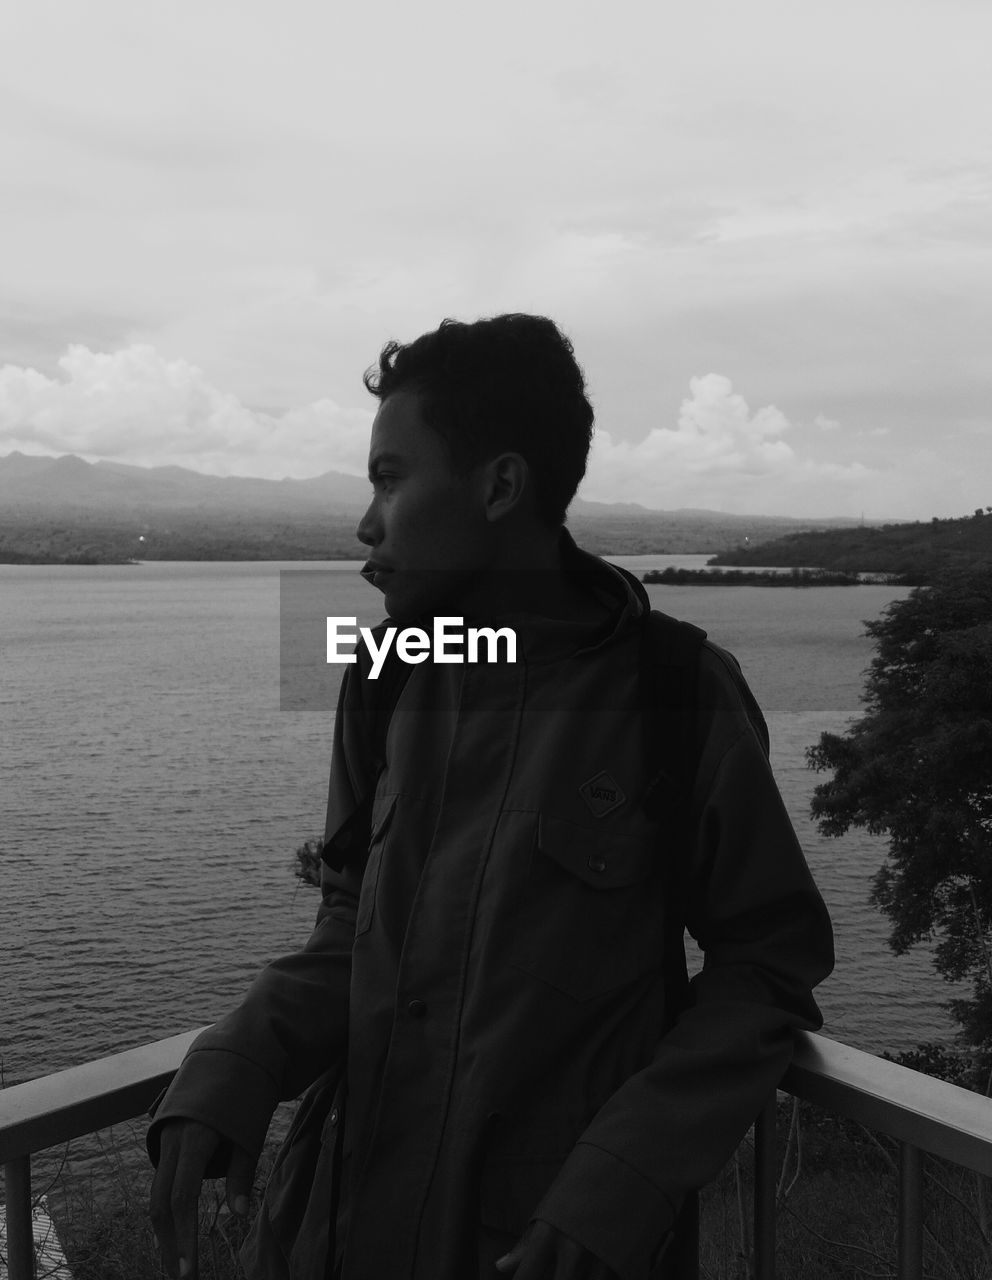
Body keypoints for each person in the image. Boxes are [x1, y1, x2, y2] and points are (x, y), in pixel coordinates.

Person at [148, 314, 834, 1280]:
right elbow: (351, 920)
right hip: (333, 1230)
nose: (366, 522)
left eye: (391, 478)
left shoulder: (673, 690)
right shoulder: (388, 672)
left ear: (501, 486)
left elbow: (767, 964)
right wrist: (240, 1063)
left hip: (547, 1244)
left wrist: (620, 1186)